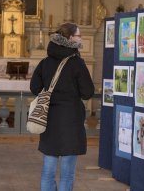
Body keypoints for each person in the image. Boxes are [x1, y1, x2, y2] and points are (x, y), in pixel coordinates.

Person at [30, 22, 94, 191]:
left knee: (47, 171)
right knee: (67, 174)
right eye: (79, 35)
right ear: (70, 38)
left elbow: (34, 87)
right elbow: (88, 92)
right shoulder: (77, 63)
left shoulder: (45, 62)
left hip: (49, 118)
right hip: (71, 121)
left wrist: (50, 95)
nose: (81, 38)